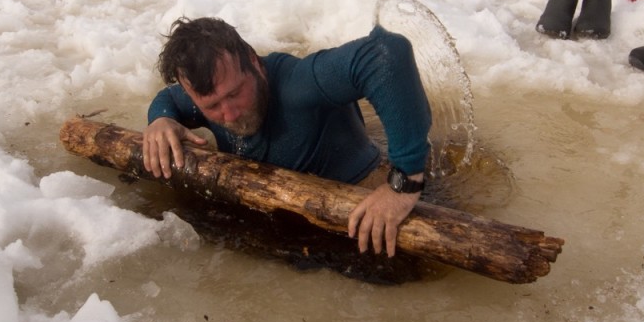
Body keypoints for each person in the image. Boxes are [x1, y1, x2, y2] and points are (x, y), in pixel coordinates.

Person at [143, 16, 432, 257]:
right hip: (283, 213)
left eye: (234, 94)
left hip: (363, 206)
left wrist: (403, 183)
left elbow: (386, 55)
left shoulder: (299, 84)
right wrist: (161, 119)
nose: (229, 114)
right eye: (212, 106)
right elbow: (171, 99)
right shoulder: (205, 90)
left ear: (254, 62)